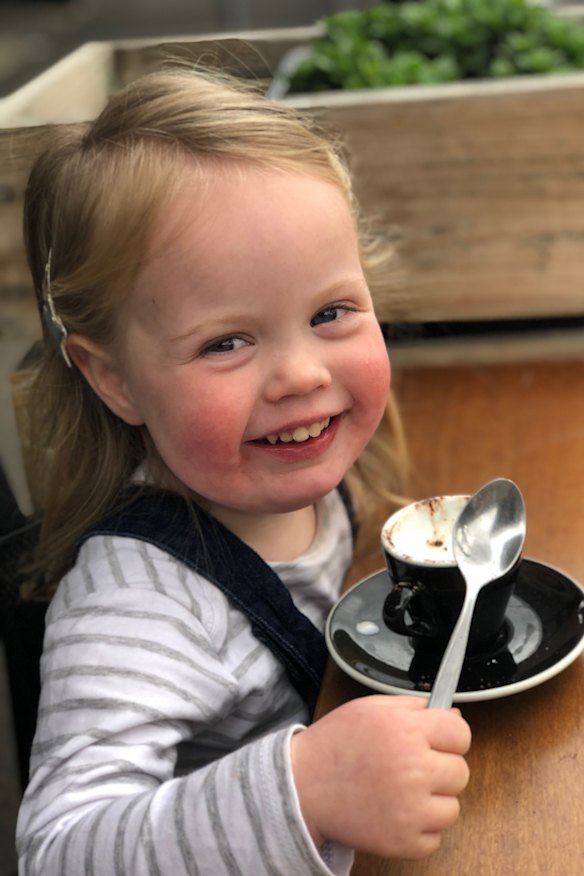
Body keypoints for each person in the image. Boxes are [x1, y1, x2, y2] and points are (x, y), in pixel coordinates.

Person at [16, 64, 471, 875]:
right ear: (113, 376)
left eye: (329, 313)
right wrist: (307, 788)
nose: (300, 374)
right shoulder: (139, 604)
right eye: (227, 342)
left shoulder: (317, 473)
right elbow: (59, 849)